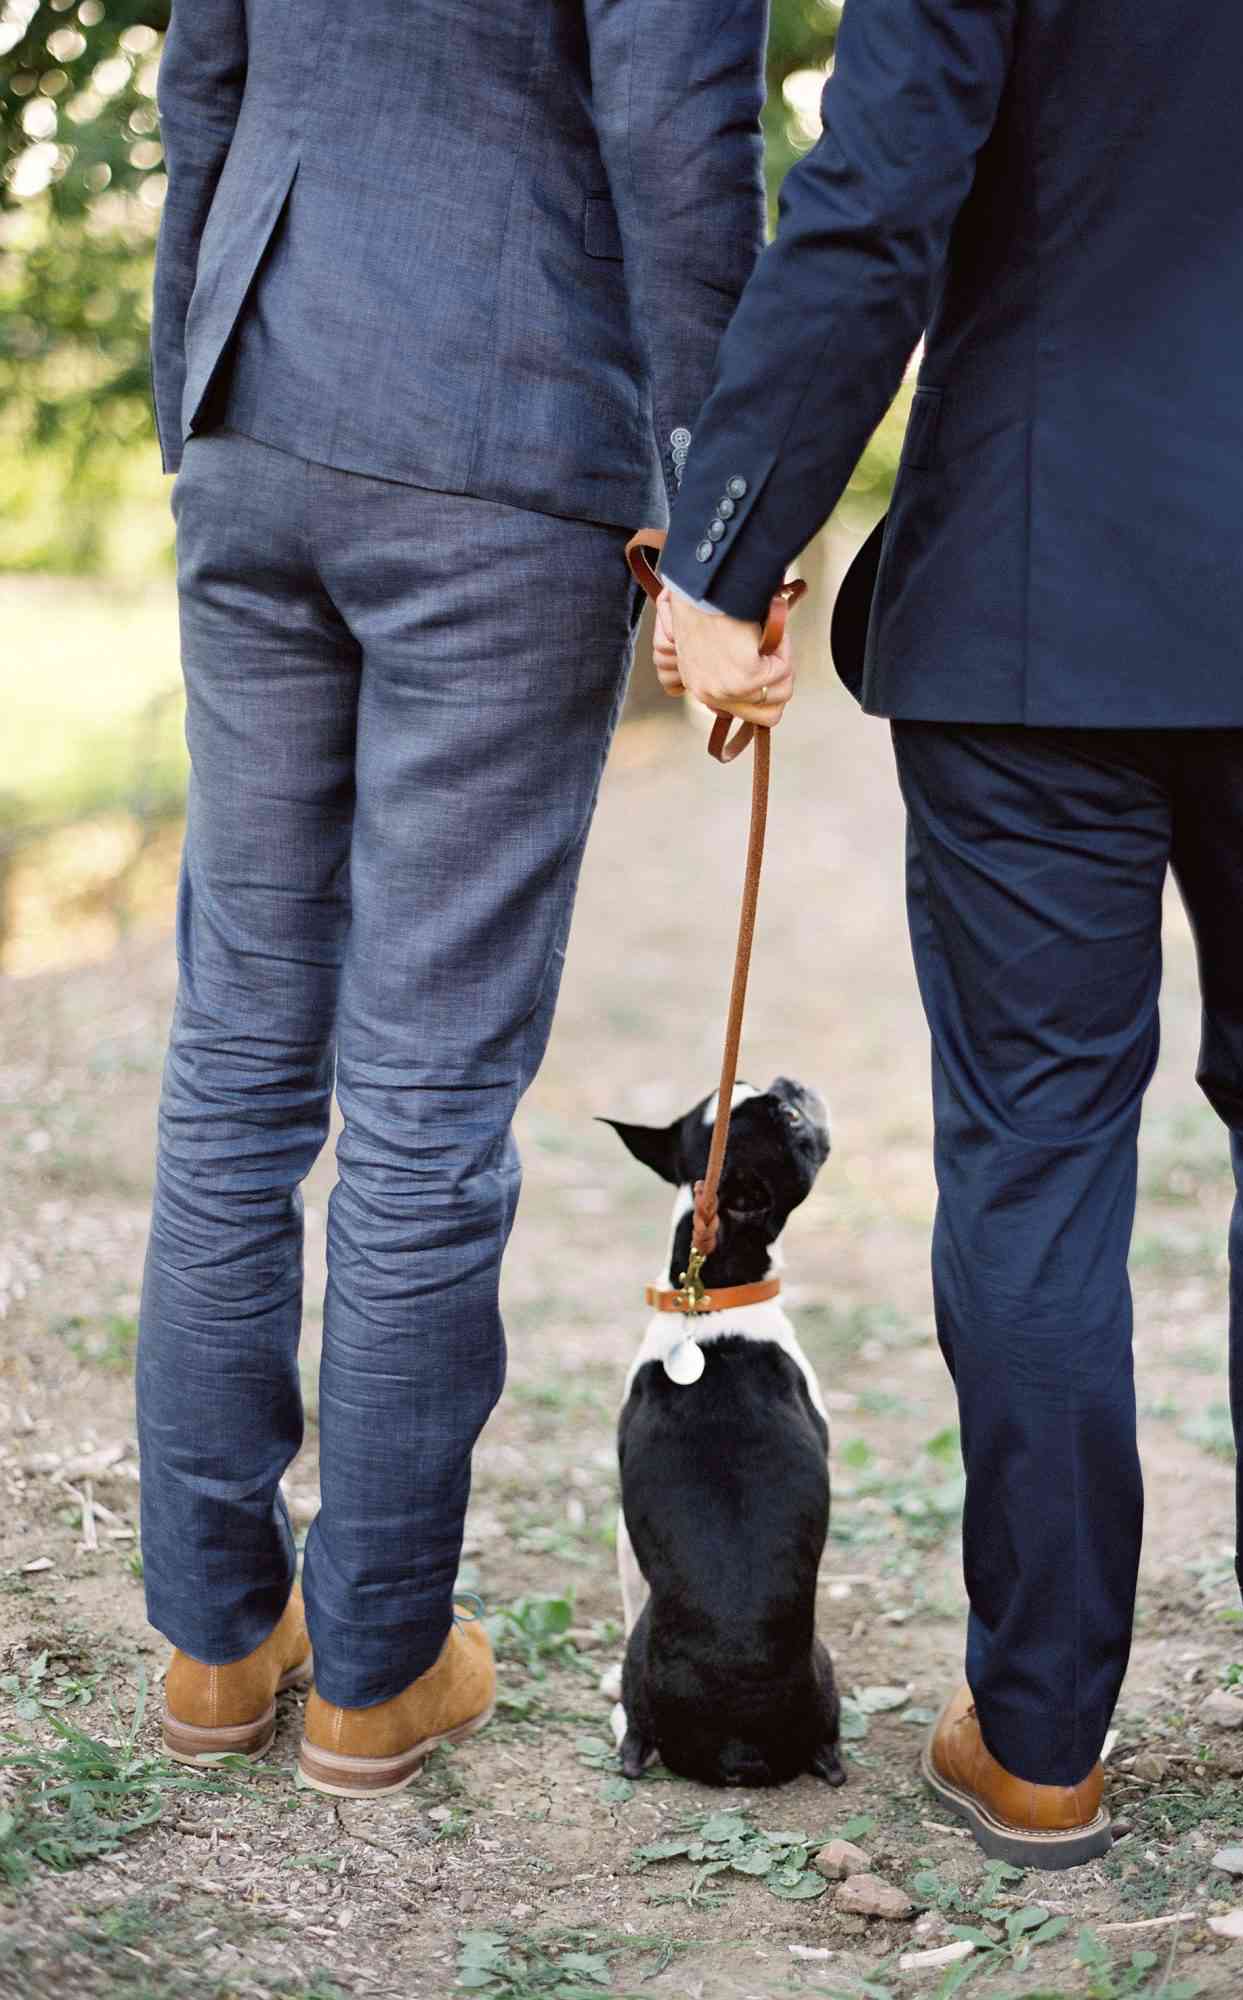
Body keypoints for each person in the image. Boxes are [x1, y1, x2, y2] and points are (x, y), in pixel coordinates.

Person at [657, 0, 1243, 1868]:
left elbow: (878, 202)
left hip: (1034, 589)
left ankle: (1037, 1743)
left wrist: (729, 549)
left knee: (1033, 1153)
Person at [138, 0, 772, 1797]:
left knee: (239, 1059)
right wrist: (727, 514)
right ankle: (374, 1672)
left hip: (256, 402)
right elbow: (677, 148)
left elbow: (208, 80)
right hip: (498, 430)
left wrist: (204, 384)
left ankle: (212, 1642)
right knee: (423, 1095)